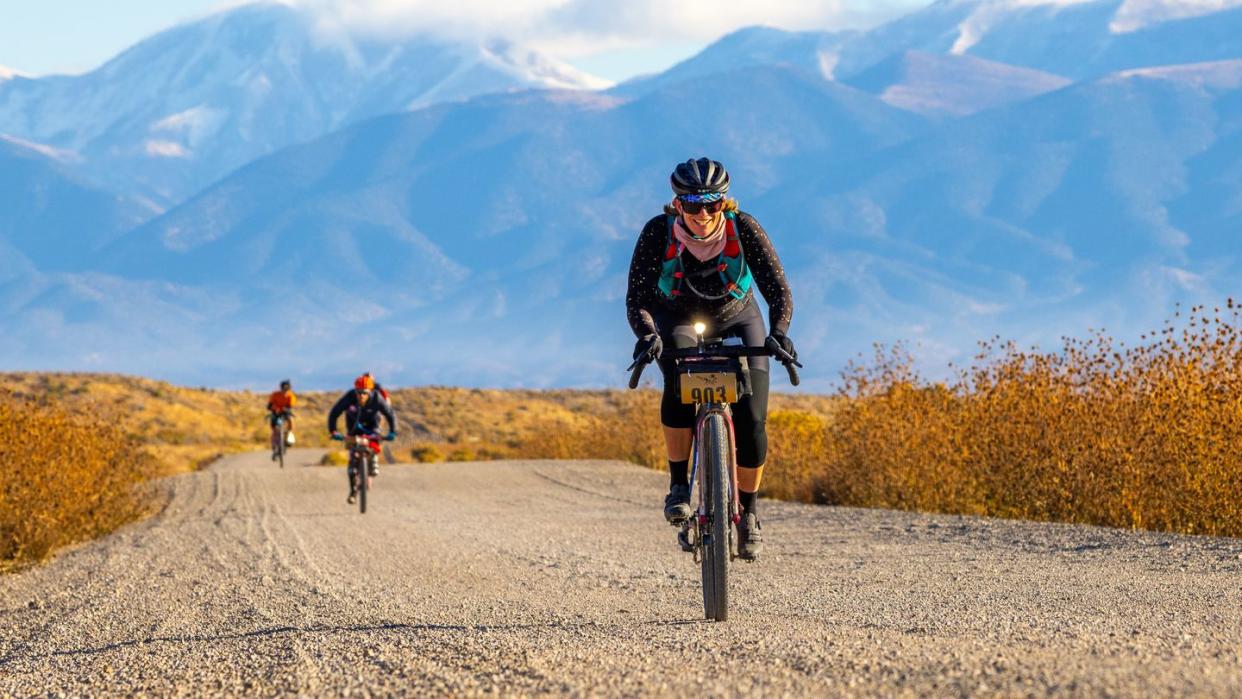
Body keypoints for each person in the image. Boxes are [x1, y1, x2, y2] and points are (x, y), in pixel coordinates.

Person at [625, 157, 796, 560]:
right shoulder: (657, 233)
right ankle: (679, 487)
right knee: (679, 385)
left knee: (753, 416)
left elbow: (778, 290)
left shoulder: (745, 228)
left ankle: (749, 513)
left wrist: (780, 333)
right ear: (677, 203)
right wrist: (648, 335)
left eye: (712, 204)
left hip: (738, 317)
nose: (703, 213)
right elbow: (638, 299)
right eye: (692, 204)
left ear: (726, 203)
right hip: (677, 318)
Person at [327, 373, 398, 504]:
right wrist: (333, 431)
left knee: (375, 440)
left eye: (364, 393)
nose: (361, 396)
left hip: (373, 426)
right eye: (358, 392)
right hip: (354, 427)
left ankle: (373, 458)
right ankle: (353, 490)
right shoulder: (349, 397)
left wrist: (393, 431)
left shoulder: (377, 398)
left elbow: (390, 414)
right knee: (353, 458)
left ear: (370, 391)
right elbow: (334, 413)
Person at [266, 379, 297, 460]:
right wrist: (274, 409)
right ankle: (275, 446)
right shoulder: (275, 395)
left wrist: (285, 410)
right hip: (276, 414)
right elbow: (269, 405)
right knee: (275, 429)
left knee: (290, 420)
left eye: (287, 388)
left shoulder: (291, 396)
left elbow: (291, 406)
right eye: (284, 388)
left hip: (285, 414)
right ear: (281, 387)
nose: (285, 390)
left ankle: (288, 436)